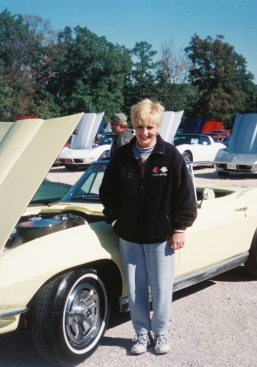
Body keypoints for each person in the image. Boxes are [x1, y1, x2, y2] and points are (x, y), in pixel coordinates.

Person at [99, 99, 198, 355]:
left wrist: (179, 228)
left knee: (162, 287)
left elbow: (184, 196)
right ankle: (142, 334)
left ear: (157, 127)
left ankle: (161, 333)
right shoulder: (122, 156)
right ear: (133, 126)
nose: (145, 133)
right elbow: (106, 192)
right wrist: (115, 220)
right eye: (140, 127)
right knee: (135, 289)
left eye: (150, 128)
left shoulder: (171, 156)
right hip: (129, 237)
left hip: (161, 237)